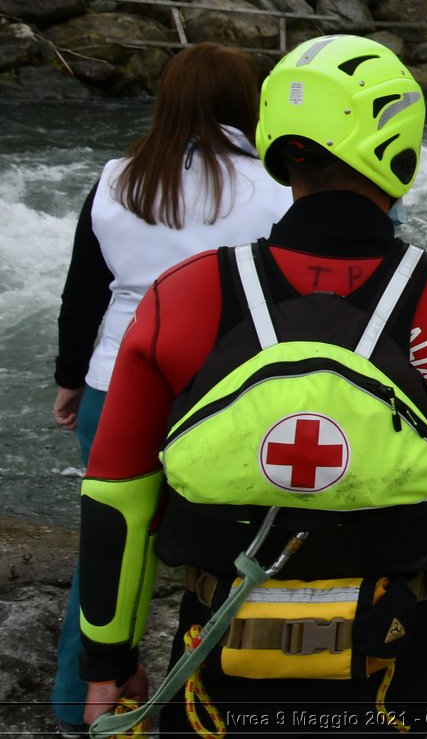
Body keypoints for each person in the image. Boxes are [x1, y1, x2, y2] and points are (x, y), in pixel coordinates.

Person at [77, 35, 427, 733]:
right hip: (395, 651)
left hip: (217, 651)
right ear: (401, 153)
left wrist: (106, 659)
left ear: (282, 149)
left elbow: (117, 498)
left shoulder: (183, 296)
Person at [50, 43, 293, 734]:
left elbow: (81, 296)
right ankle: (220, 698)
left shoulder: (115, 179)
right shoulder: (275, 189)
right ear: (247, 102)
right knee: (230, 553)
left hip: (116, 383)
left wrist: (71, 383)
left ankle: (79, 699)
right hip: (228, 391)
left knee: (109, 546)